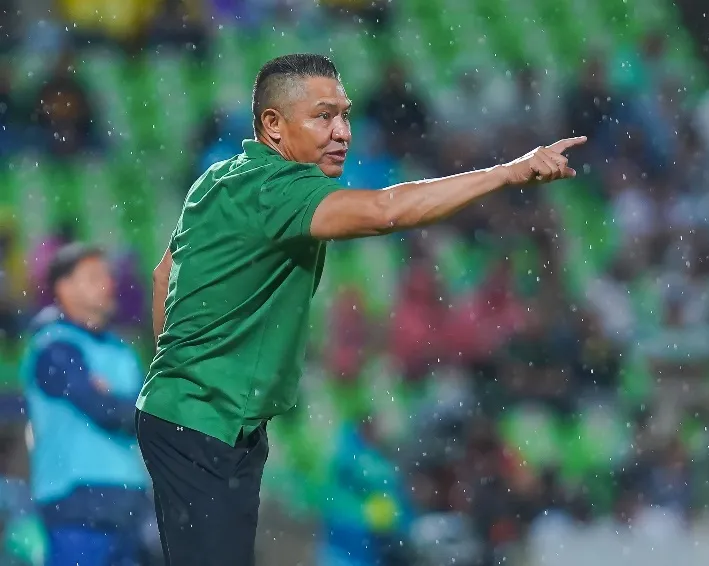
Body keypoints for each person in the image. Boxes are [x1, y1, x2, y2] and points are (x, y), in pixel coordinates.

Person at [135, 52, 586, 566]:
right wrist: (509, 172)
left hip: (203, 420)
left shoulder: (218, 178)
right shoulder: (276, 187)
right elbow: (385, 210)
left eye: (345, 114)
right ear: (274, 125)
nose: (343, 131)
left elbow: (163, 275)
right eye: (324, 116)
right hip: (204, 423)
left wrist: (175, 383)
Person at [20, 244, 151, 566]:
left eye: (107, 275)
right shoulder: (53, 347)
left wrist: (126, 407)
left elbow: (145, 412)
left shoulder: (122, 350)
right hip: (76, 503)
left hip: (128, 502)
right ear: (64, 287)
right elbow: (103, 407)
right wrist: (129, 408)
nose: (107, 283)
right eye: (93, 276)